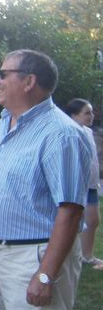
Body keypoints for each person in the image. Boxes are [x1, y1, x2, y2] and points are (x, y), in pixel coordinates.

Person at [0, 49, 91, 310]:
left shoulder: (61, 135)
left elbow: (71, 211)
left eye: (3, 74)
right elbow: (7, 181)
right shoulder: (6, 121)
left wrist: (45, 275)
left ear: (28, 81)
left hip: (34, 256)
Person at [65, 98, 102, 269]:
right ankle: (71, 256)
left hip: (91, 186)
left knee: (93, 221)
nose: (91, 116)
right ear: (74, 115)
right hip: (78, 187)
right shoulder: (69, 132)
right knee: (73, 223)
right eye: (87, 113)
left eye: (91, 112)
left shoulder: (87, 131)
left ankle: (87, 257)